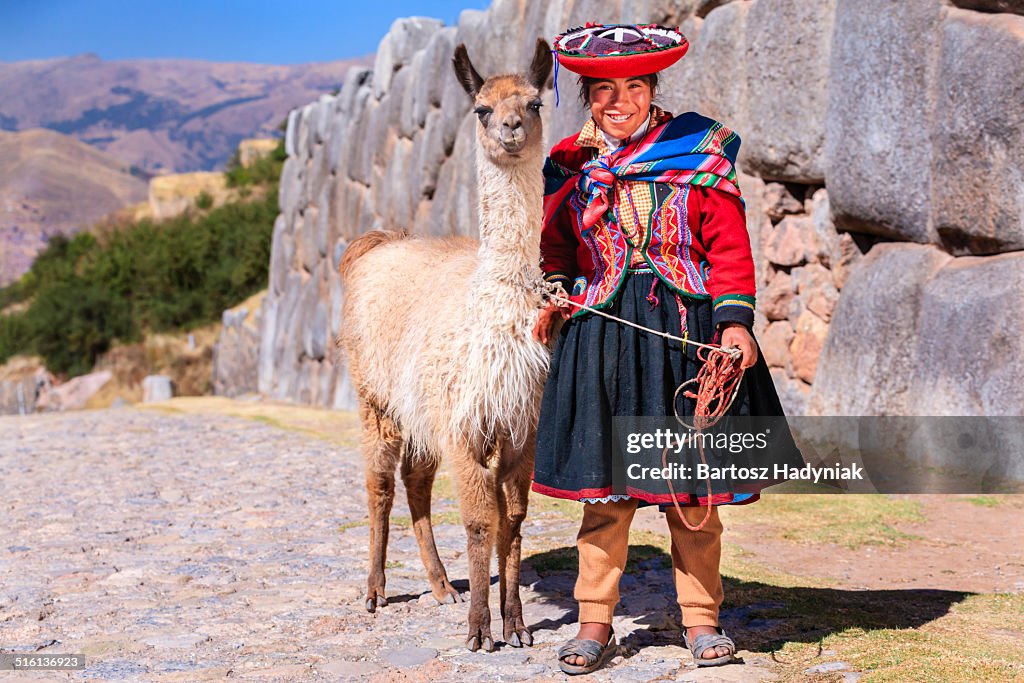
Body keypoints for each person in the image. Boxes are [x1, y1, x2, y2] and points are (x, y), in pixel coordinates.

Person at [531, 23, 803, 675]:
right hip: (602, 343)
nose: (617, 101)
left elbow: (731, 251)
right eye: (602, 91)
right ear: (588, 96)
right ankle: (594, 621)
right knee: (607, 498)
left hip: (684, 342)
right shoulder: (572, 164)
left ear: (652, 89)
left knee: (693, 495)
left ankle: (702, 622)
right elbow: (560, 251)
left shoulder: (696, 152)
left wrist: (735, 326)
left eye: (631, 86)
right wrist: (560, 292)